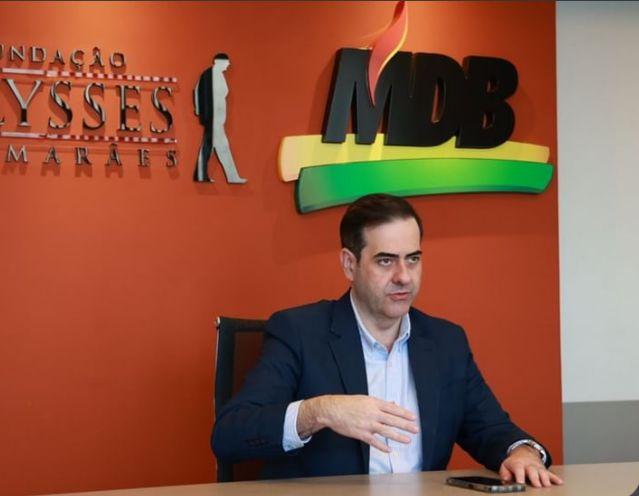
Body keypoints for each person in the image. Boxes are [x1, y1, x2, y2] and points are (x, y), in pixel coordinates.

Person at [212, 193, 563, 488]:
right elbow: (229, 435)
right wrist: (319, 411)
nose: (404, 277)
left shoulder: (445, 342)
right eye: (385, 261)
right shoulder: (299, 332)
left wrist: (523, 452)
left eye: (413, 259)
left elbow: (491, 429)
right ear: (349, 265)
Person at [193, 53, 247, 184]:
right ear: (220, 62)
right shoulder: (208, 75)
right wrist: (200, 111)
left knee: (212, 145)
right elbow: (196, 92)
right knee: (219, 146)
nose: (228, 65)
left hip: (217, 119)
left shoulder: (217, 75)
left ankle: (202, 175)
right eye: (226, 62)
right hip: (213, 119)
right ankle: (231, 177)